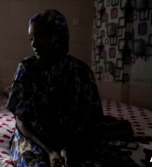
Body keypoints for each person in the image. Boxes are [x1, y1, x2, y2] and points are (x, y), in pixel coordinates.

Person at [6, 9, 104, 167]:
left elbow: (92, 122)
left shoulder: (81, 71)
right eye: (31, 38)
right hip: (35, 139)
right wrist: (50, 151)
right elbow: (21, 122)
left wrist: (69, 148)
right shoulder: (27, 69)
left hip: (73, 140)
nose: (33, 44)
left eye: (40, 37)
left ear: (57, 36)